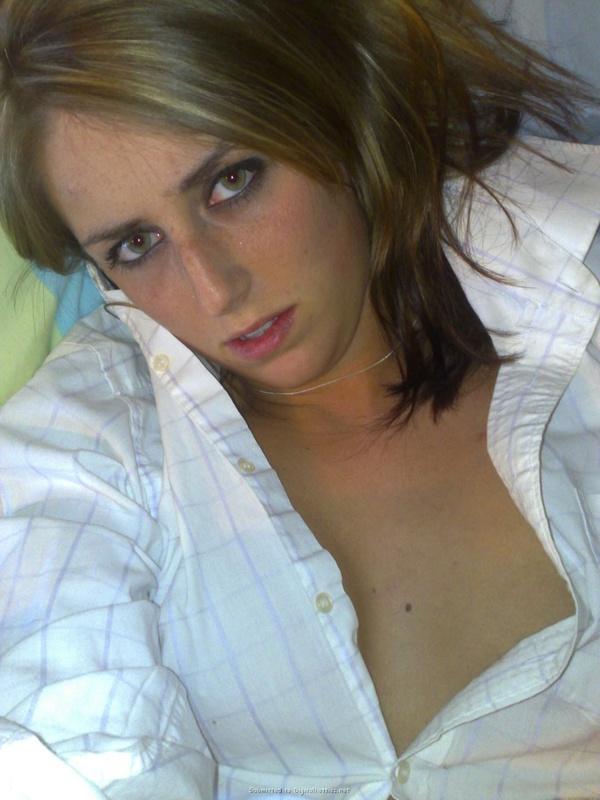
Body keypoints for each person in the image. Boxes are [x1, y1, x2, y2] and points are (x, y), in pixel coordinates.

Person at [0, 0, 598, 797]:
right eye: (136, 245)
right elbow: (63, 744)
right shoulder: (81, 439)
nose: (215, 290)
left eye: (231, 182)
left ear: (337, 103)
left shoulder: (577, 302)